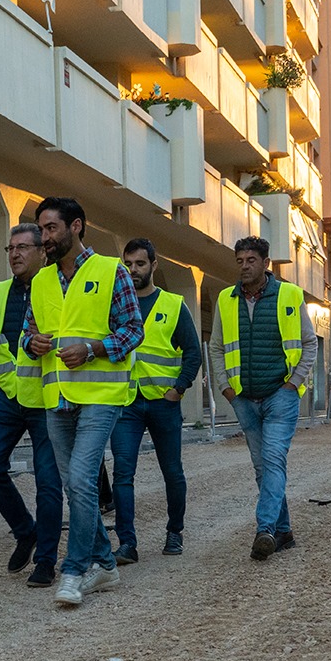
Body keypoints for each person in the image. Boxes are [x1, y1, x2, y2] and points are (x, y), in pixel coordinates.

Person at [22, 197, 143, 607]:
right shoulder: (40, 281)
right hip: (56, 396)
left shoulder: (111, 271)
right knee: (76, 485)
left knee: (79, 479)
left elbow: (133, 330)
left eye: (51, 228)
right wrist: (33, 342)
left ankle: (74, 571)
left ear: (75, 226)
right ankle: (105, 564)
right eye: (41, 229)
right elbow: (28, 332)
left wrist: (92, 349)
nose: (44, 237)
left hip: (101, 395)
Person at [208, 236, 318, 562]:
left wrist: (293, 383)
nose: (244, 266)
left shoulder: (289, 295)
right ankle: (284, 531)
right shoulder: (226, 299)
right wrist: (226, 388)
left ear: (266, 263)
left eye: (251, 260)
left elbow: (309, 343)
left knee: (272, 460)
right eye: (240, 261)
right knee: (262, 467)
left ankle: (265, 530)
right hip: (243, 398)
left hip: (280, 395)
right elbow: (216, 347)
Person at [0, 222, 63, 587]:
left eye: (22, 247)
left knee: (48, 483)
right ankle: (26, 531)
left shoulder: (58, 289)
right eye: (10, 248)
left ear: (43, 252)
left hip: (46, 400)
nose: (14, 254)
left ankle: (46, 561)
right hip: (6, 398)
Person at [109, 237, 200, 565]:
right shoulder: (114, 308)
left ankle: (175, 531)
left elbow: (193, 353)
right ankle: (127, 544)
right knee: (123, 473)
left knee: (172, 471)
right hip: (126, 402)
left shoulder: (174, 305)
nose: (133, 270)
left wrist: (179, 389)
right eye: (128, 264)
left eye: (140, 264)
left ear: (153, 265)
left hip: (164, 403)